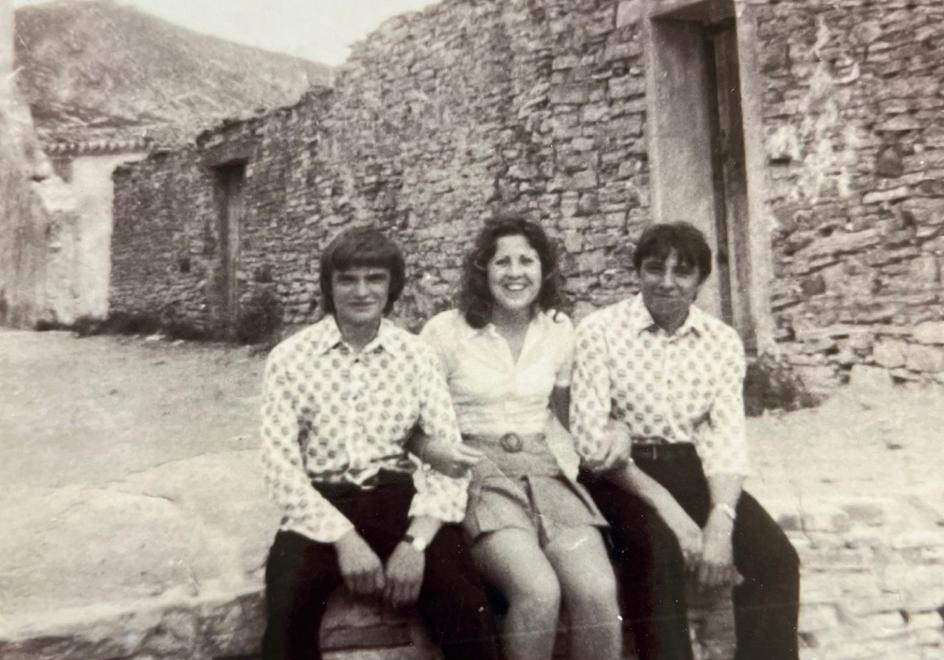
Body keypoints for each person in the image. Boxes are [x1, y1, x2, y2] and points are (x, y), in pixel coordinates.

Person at [259, 226, 500, 660]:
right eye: (347, 279)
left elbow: (448, 460)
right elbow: (280, 469)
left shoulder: (416, 356)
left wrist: (416, 544)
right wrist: (344, 539)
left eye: (375, 278)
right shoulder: (290, 359)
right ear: (328, 287)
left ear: (392, 287)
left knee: (467, 606)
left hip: (399, 498)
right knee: (286, 616)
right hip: (321, 506)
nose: (361, 291)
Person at [570, 221, 800, 660]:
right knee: (658, 554)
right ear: (637, 272)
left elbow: (726, 438)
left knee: (776, 559)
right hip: (620, 477)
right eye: (655, 269)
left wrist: (721, 519)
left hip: (690, 467)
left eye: (683, 272)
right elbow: (590, 438)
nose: (667, 283)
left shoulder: (721, 342)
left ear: (700, 281)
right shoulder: (599, 331)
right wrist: (675, 515)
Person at [415, 218, 623, 660]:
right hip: (477, 470)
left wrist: (616, 430)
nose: (515, 272)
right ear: (482, 270)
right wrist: (433, 450)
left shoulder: (558, 331)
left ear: (544, 270)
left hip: (545, 471)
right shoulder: (445, 332)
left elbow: (573, 413)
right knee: (537, 590)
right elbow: (411, 420)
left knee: (598, 591)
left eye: (527, 260)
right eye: (502, 261)